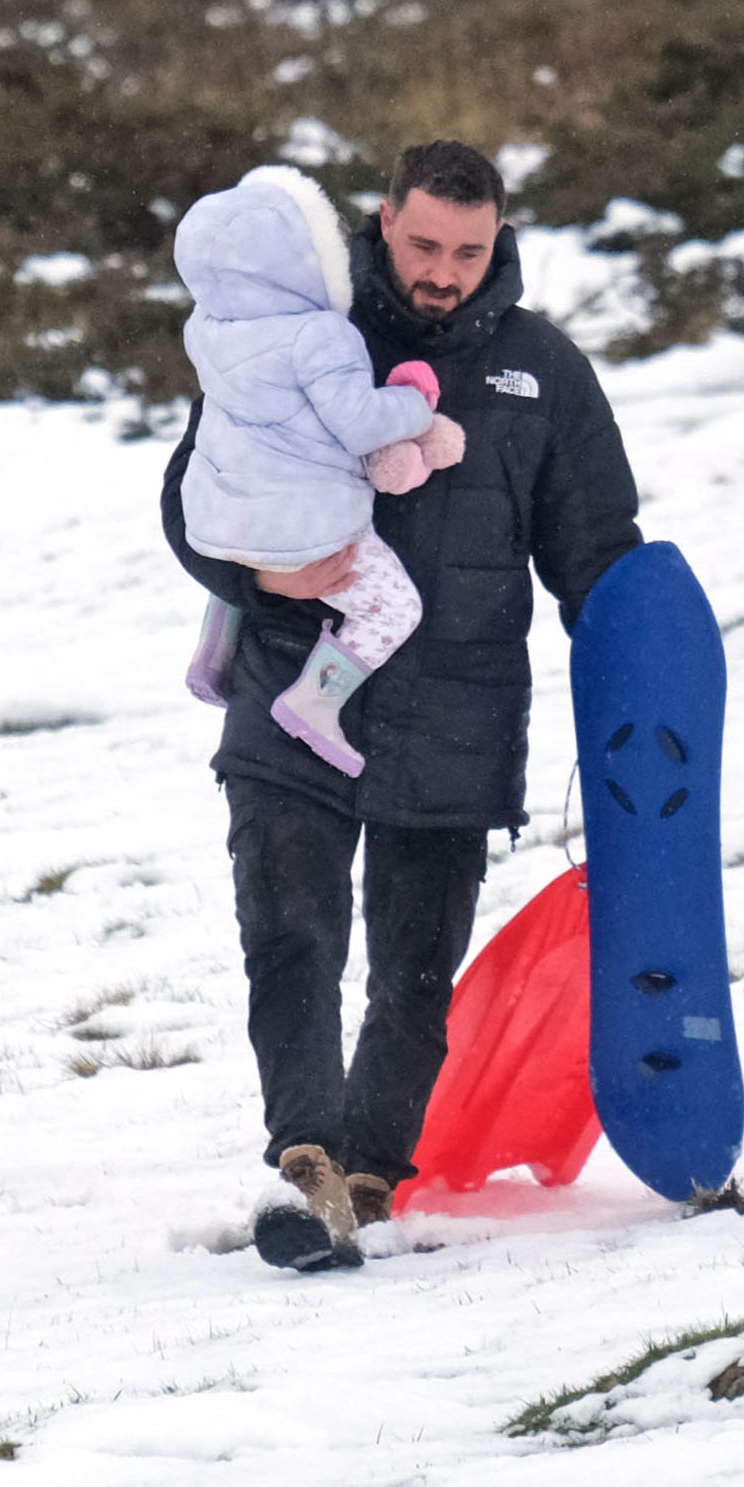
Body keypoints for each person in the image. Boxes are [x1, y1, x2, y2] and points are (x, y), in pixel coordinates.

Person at [160, 140, 643, 1272]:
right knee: (290, 940)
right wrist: (256, 579)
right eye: (423, 243)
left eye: (469, 251)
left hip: (456, 720)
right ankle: (306, 1158)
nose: (443, 270)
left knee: (413, 981)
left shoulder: (543, 374)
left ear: (500, 241)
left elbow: (598, 554)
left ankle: (372, 1176)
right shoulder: (302, 335)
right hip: (290, 699)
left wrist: (650, 677)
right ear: (383, 222)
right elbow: (194, 499)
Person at [172, 163, 465, 775]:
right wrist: (415, 405)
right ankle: (315, 701)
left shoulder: (207, 329)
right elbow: (359, 423)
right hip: (305, 524)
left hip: (221, 513)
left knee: (247, 542)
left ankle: (215, 646)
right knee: (393, 608)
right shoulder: (321, 335)